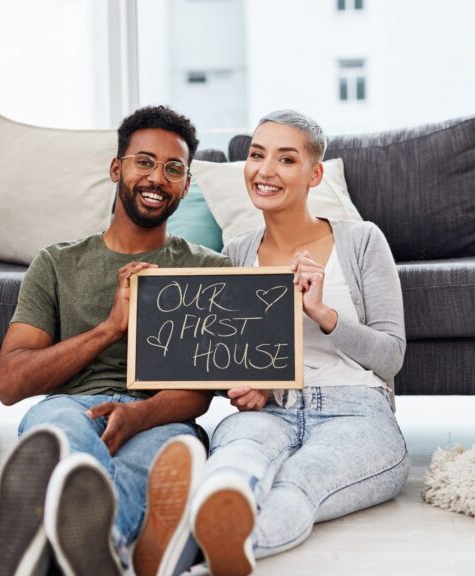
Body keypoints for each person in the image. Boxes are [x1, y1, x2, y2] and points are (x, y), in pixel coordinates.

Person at [0, 105, 229, 576]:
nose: (158, 177)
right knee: (56, 434)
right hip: (73, 405)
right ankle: (93, 547)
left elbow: (201, 391)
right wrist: (110, 328)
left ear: (187, 184)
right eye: (144, 162)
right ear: (117, 168)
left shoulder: (211, 271)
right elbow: (9, 382)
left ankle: (64, 545)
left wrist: (139, 415)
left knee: (164, 460)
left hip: (159, 416)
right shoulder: (55, 264)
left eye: (174, 168)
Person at [186, 110, 409, 575]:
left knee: (297, 483)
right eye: (256, 155)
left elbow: (391, 357)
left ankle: (217, 556)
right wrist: (249, 383)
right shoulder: (236, 255)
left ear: (314, 174)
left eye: (286, 160)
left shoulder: (362, 241)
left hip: (356, 410)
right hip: (271, 411)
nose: (265, 171)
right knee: (234, 462)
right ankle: (182, 541)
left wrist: (324, 314)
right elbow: (232, 355)